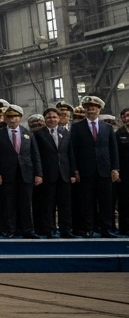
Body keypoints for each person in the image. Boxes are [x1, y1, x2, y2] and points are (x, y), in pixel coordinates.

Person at [69, 95, 120, 237]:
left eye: (94, 108)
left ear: (99, 110)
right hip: (86, 171)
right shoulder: (77, 128)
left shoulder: (107, 128)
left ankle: (106, 229)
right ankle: (88, 229)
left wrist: (115, 168)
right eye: (88, 108)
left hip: (104, 171)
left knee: (106, 202)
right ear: (85, 110)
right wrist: (75, 170)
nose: (91, 110)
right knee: (87, 202)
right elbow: (73, 150)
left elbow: (113, 149)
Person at [0, 104, 41, 238]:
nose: (13, 120)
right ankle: (10, 229)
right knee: (9, 203)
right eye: (10, 117)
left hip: (25, 174)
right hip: (7, 174)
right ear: (5, 119)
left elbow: (35, 155)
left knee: (26, 203)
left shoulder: (27, 133)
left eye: (16, 117)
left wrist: (38, 173)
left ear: (20, 118)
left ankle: (28, 230)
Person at [31, 108, 75, 238]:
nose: (52, 119)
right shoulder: (38, 134)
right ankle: (49, 229)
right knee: (48, 203)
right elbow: (36, 155)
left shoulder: (66, 132)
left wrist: (73, 173)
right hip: (47, 174)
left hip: (64, 173)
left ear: (59, 118)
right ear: (45, 119)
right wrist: (38, 173)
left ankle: (65, 230)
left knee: (65, 204)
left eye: (55, 117)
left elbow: (70, 154)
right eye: (49, 117)